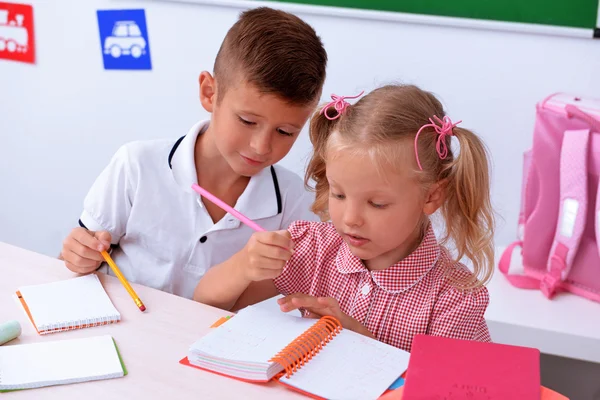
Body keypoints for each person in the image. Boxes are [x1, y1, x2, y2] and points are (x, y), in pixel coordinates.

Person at [195, 84, 495, 351]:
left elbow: (445, 391)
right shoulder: (311, 249)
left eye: (376, 204)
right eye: (338, 195)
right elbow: (204, 305)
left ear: (431, 196)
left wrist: (360, 343)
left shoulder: (454, 300)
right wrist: (244, 264)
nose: (350, 219)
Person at [59, 7, 328, 299]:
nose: (261, 146)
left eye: (285, 132)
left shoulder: (298, 205)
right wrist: (79, 254)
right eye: (248, 122)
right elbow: (76, 263)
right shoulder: (136, 166)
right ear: (209, 93)